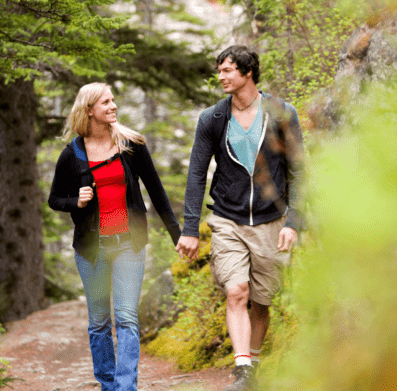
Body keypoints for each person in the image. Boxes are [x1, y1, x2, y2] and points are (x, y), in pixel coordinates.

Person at [175, 45, 305, 391]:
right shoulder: (213, 119)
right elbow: (196, 174)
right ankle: (243, 369)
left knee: (262, 300)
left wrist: (294, 222)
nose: (221, 77)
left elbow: (299, 172)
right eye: (219, 70)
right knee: (236, 291)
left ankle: (254, 362)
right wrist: (190, 229)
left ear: (248, 72)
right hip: (227, 218)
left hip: (271, 220)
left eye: (228, 70)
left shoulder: (282, 113)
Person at [48, 82, 181, 391]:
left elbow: (156, 191)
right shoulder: (72, 154)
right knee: (99, 323)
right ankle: (108, 385)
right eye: (105, 102)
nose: (113, 106)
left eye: (113, 100)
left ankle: (125, 387)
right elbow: (54, 199)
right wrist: (77, 201)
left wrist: (178, 235)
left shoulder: (131, 144)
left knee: (126, 318)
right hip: (91, 249)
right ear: (89, 110)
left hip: (128, 245)